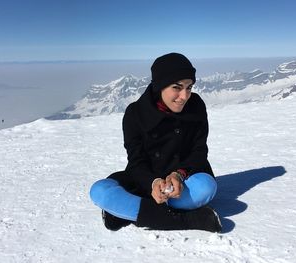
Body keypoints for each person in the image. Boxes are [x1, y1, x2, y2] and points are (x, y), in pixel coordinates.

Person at [90, 53, 222, 232]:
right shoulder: (135, 114)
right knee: (99, 190)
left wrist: (179, 174)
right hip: (145, 180)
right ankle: (187, 220)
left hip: (186, 177)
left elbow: (199, 151)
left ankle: (126, 212)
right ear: (160, 85)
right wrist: (153, 182)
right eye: (177, 87)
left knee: (206, 187)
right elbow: (136, 160)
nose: (184, 96)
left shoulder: (196, 106)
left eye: (189, 87)